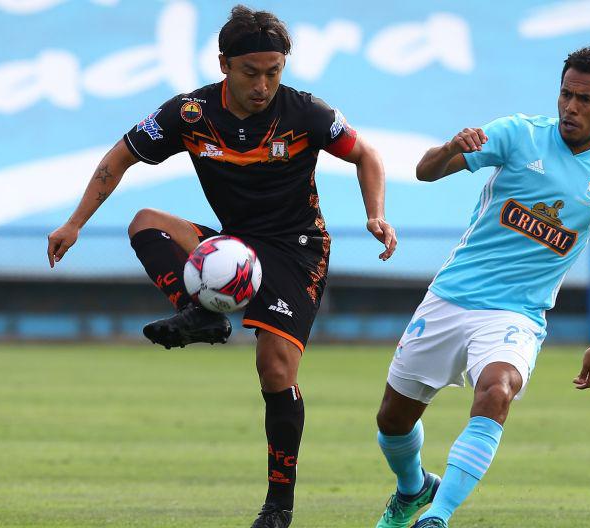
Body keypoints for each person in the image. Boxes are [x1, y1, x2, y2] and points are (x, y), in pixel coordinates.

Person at [46, 6, 396, 527]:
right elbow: (119, 156)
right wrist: (74, 223)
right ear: (223, 65)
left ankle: (279, 505)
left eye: (274, 72)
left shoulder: (307, 114)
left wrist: (376, 216)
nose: (263, 85)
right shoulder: (190, 114)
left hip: (297, 249)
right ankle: (200, 313)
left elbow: (366, 154)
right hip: (236, 245)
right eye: (250, 72)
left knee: (274, 370)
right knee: (145, 222)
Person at [372, 47, 590, 528]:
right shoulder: (517, 134)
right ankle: (413, 489)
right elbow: (424, 171)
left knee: (497, 391)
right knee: (392, 422)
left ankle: (439, 516)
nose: (571, 108)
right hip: (451, 298)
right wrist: (453, 147)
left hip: (516, 315)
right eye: (565, 95)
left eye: (585, 100)